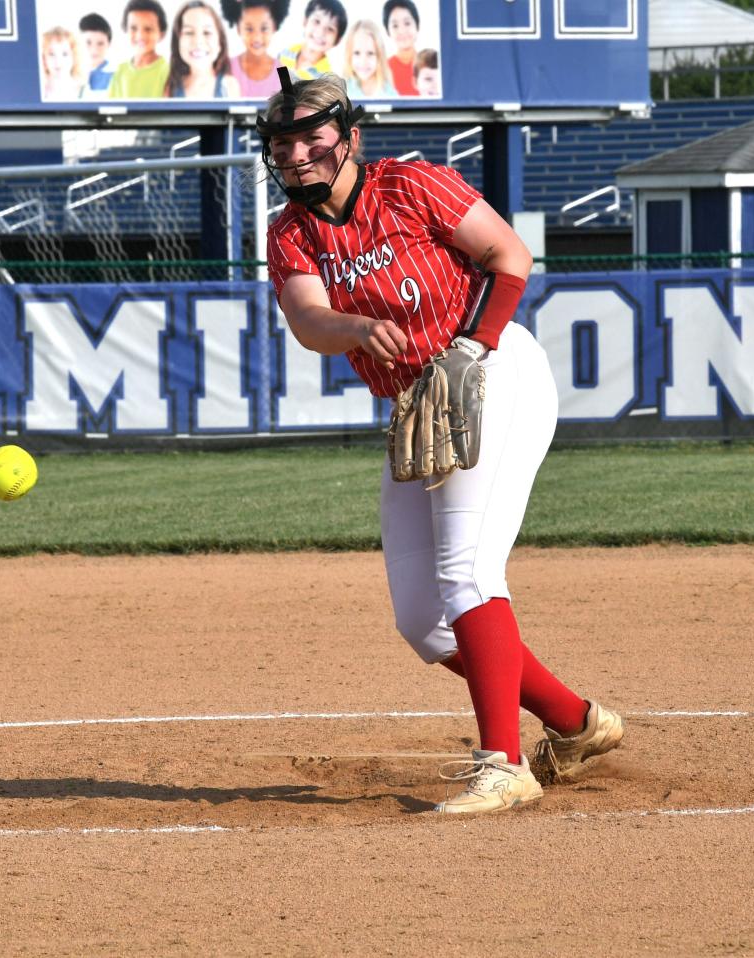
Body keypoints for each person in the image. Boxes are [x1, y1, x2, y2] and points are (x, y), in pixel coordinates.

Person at [258, 71, 625, 815]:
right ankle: (575, 724)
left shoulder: (412, 184)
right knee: (424, 619)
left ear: (350, 135)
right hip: (419, 404)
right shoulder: (289, 232)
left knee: (468, 573)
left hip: (491, 371)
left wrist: (471, 346)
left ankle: (505, 763)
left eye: (311, 135)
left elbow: (509, 256)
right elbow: (307, 319)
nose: (297, 153)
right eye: (283, 141)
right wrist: (357, 328)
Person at [167, 1, 241, 99]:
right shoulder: (172, 86)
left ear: (220, 43)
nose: (198, 42)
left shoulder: (228, 85)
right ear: (177, 42)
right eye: (189, 32)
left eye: (207, 32)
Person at [220, 0, 290, 98]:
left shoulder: (283, 72)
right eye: (249, 29)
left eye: (264, 28)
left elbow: (290, 107)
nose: (257, 38)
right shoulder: (227, 68)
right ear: (238, 29)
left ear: (274, 27)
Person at [109, 0, 169, 99]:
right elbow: (110, 108)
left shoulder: (167, 71)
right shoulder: (120, 71)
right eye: (133, 28)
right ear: (125, 30)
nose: (140, 35)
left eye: (148, 29)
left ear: (161, 34)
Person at [278, 0, 346, 80]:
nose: (320, 32)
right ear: (305, 22)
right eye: (317, 21)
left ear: (337, 41)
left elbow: (287, 91)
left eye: (330, 29)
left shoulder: (325, 79)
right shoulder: (285, 53)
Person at [342, 20, 396, 99]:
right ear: (349, 55)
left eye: (370, 53)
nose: (363, 61)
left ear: (379, 56)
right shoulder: (342, 92)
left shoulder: (389, 93)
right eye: (357, 53)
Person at [381, 0, 419, 96]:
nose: (402, 31)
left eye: (407, 23)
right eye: (395, 26)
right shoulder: (383, 69)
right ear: (387, 31)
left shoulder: (430, 63)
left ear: (417, 26)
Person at [40, 26, 84, 101]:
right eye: (51, 54)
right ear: (44, 58)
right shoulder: (39, 92)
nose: (58, 61)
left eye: (65, 54)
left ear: (74, 56)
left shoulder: (85, 93)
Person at [79, 12, 116, 96]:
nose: (94, 49)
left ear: (109, 45)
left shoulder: (115, 77)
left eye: (100, 43)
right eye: (88, 43)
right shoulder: (71, 73)